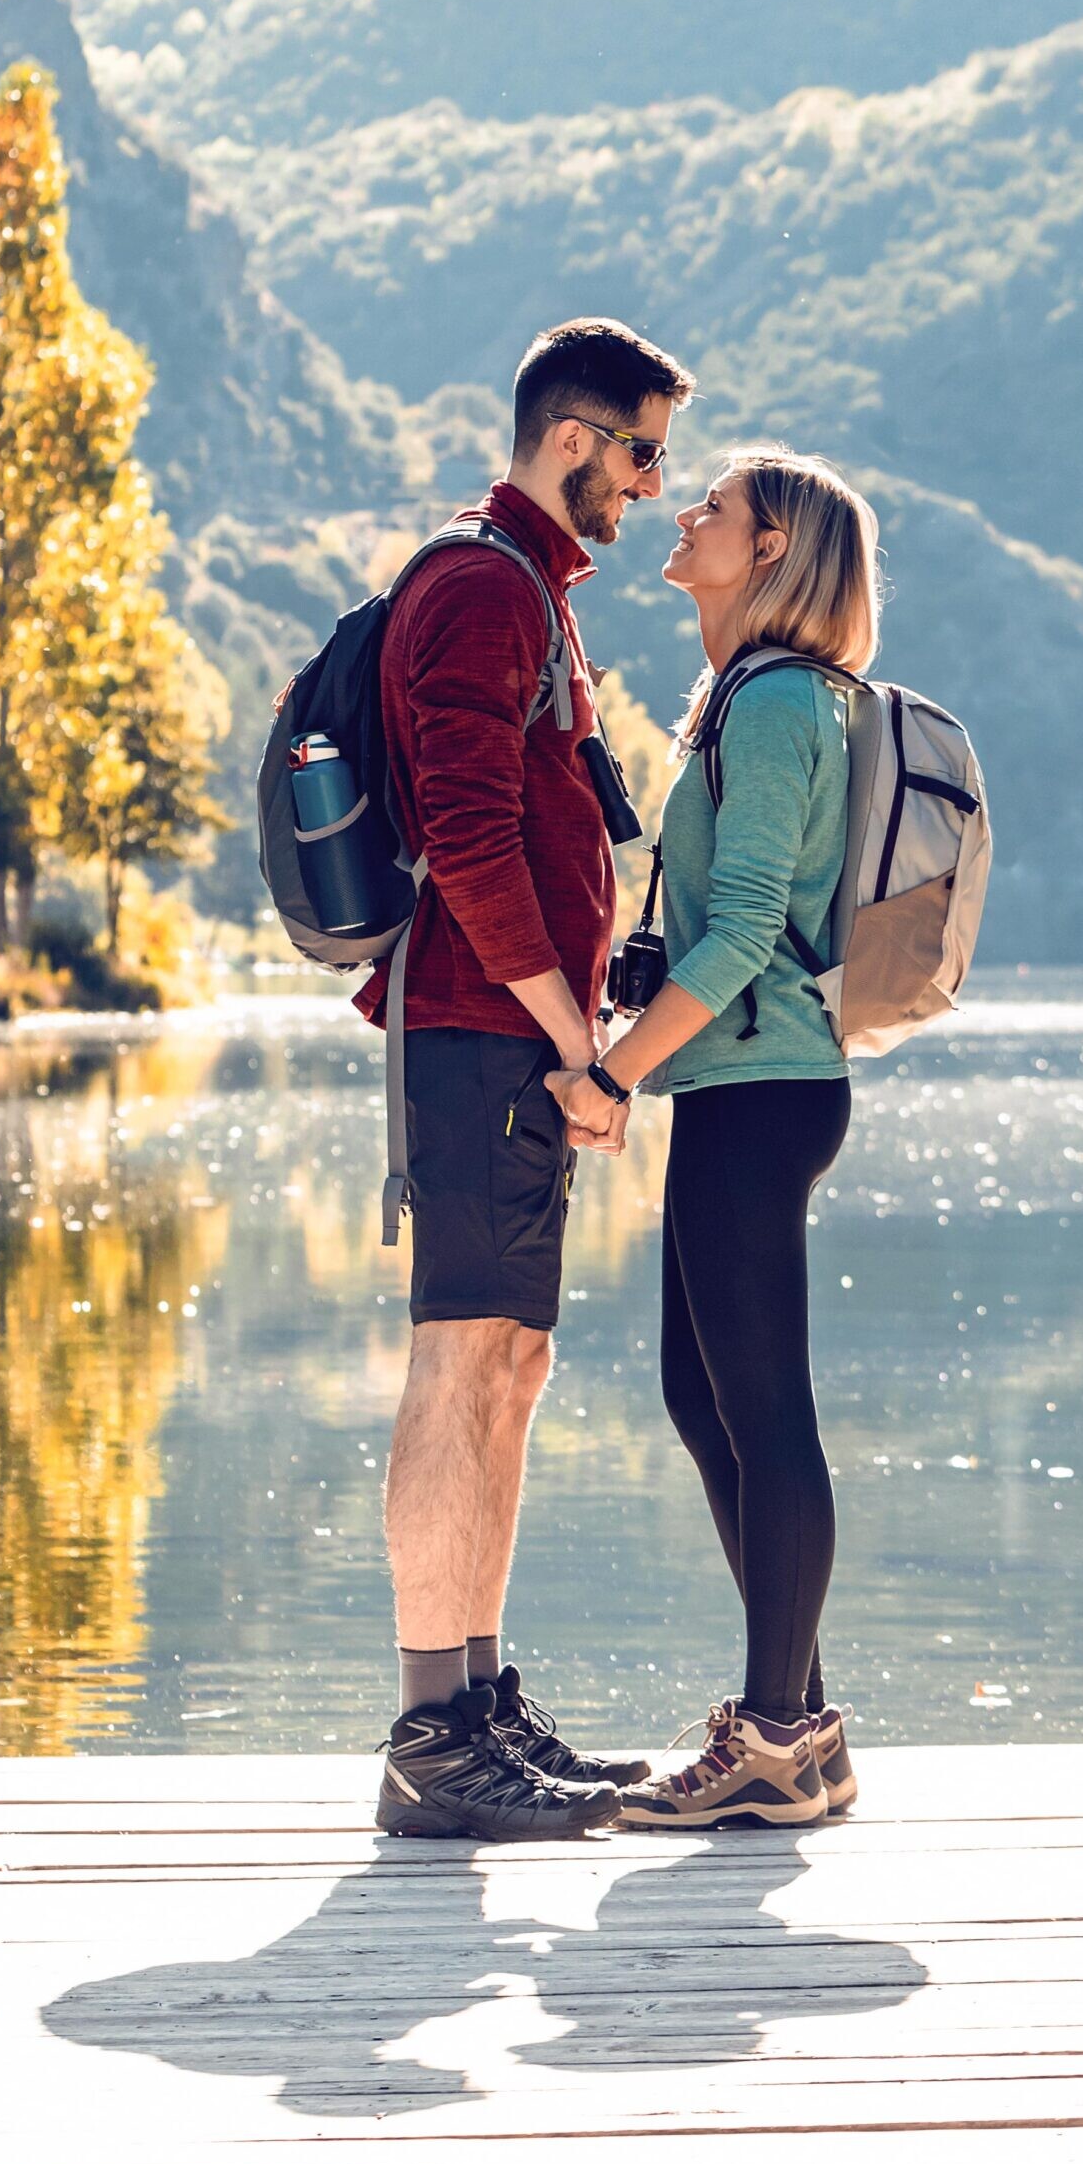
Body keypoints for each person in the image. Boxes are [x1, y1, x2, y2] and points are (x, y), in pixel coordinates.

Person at [367, 317, 695, 1841]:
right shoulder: (479, 587)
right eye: (639, 454)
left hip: (511, 1032)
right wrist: (578, 1045)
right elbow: (474, 838)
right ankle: (433, 1731)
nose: (649, 486)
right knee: (461, 1358)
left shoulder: (528, 591)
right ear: (570, 437)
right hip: (481, 1032)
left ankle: (479, 1703)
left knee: (514, 1360)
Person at [548, 447, 879, 1829]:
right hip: (740, 1088)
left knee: (763, 1409)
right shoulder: (746, 699)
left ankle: (782, 1732)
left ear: (774, 552)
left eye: (716, 510)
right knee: (707, 1401)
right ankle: (797, 1722)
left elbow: (747, 931)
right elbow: (723, 919)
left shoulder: (783, 703)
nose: (684, 516)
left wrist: (612, 1076)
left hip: (759, 1090)